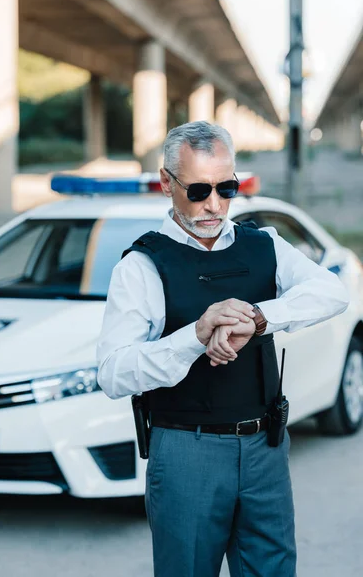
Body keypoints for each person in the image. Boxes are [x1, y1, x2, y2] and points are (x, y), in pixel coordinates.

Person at [96, 121, 349, 577]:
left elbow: (332, 292)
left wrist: (255, 319)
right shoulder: (141, 266)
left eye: (226, 187)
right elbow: (113, 373)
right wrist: (194, 335)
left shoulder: (264, 244)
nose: (214, 204)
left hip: (265, 448)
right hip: (186, 453)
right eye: (198, 190)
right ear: (167, 183)